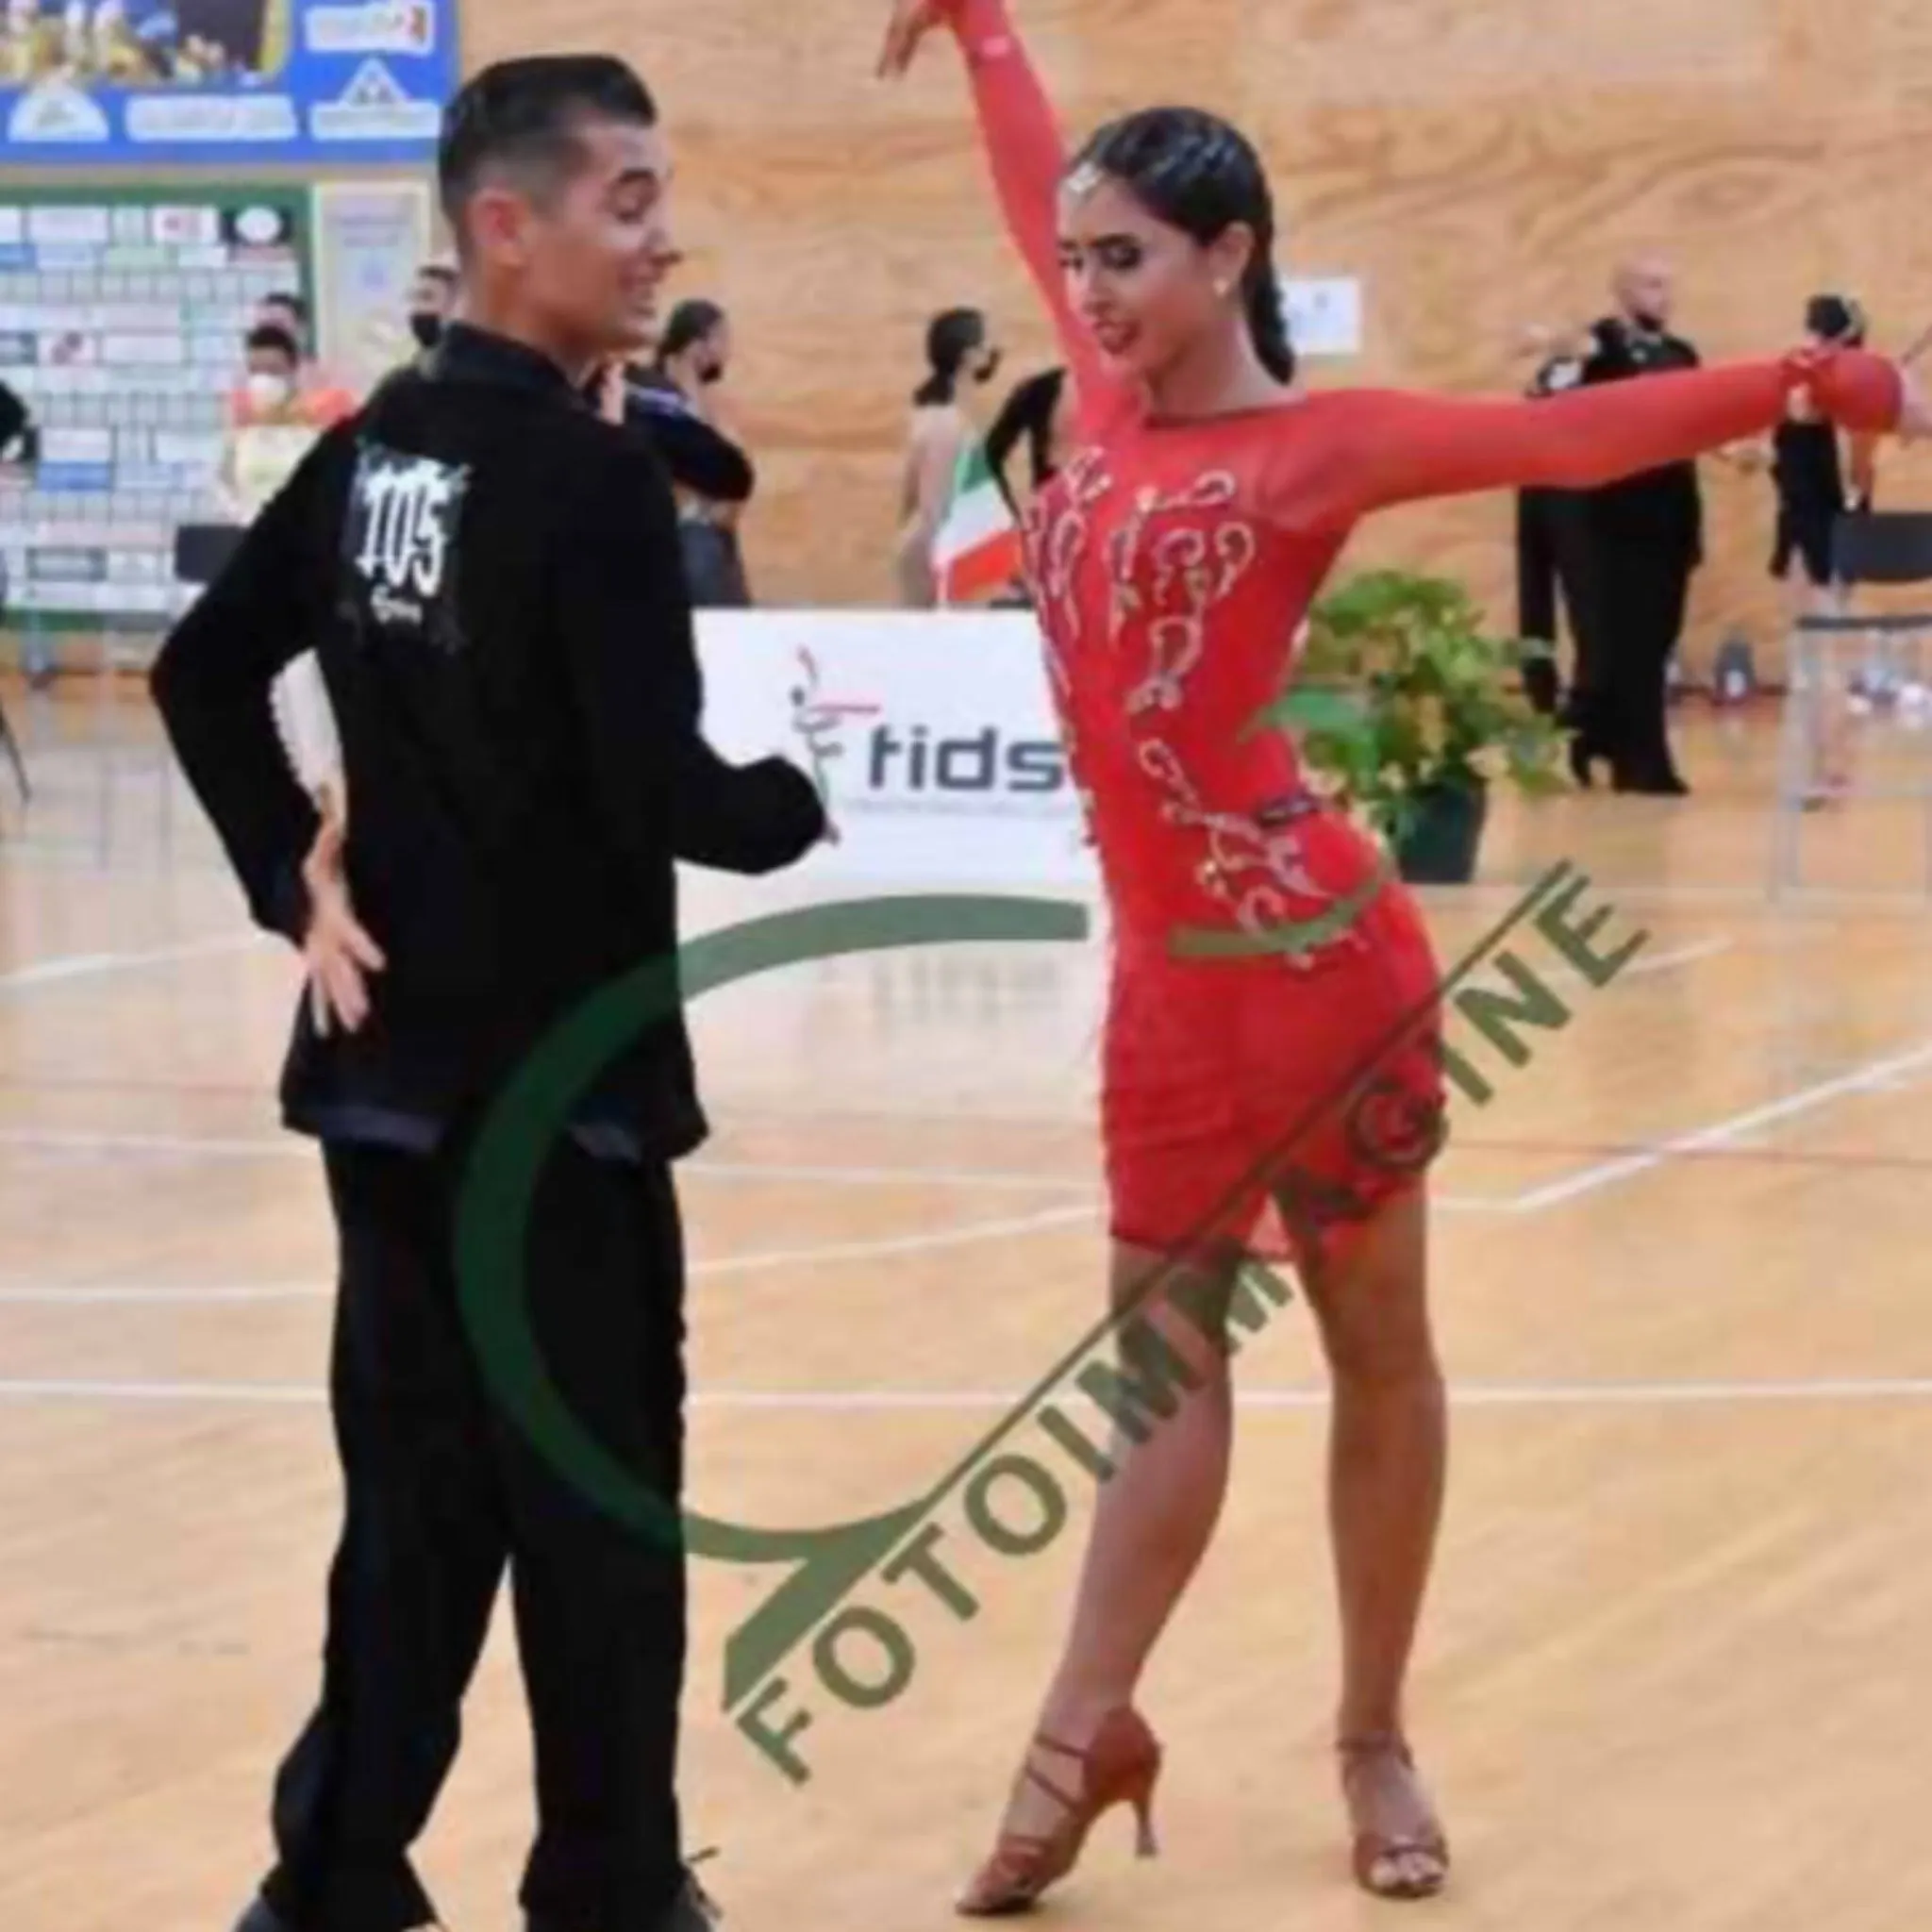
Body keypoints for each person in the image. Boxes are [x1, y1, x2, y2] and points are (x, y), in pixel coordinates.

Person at [875, 0, 1913, 1911]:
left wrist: (1795, 381)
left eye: (1128, 260)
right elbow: (1030, 197)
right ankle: (1087, 1725)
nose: (1085, 291)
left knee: (1377, 1355)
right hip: (1165, 989)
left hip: (1321, 966)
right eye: (1081, 259)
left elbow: (1571, 436)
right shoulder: (1096, 406)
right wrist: (987, 32)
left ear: (1229, 259)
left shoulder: (1315, 447)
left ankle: (1370, 1733)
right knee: (1158, 1374)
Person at [150, 52, 829, 1932]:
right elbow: (664, 788)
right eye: (625, 198)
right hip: (564, 1099)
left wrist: (299, 874)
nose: (659, 232)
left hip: (384, 1087)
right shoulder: (590, 484)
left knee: (415, 1510)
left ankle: (333, 1882)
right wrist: (797, 800)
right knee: (597, 1515)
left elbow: (206, 673)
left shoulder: (375, 444)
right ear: (504, 226)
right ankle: (607, 1887)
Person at [1564, 258, 1707, 792]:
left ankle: (1593, 730)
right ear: (1622, 291)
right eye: (1652, 285)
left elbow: (1700, 420)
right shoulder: (1600, 347)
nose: (1664, 295)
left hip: (1672, 515)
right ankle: (1643, 763)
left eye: (1668, 284)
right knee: (1628, 642)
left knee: (1659, 638)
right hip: (1616, 517)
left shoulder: (1682, 355)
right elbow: (1566, 370)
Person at [893, 303, 1004, 603]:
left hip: (936, 554)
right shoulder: (946, 423)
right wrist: (946, 582)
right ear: (969, 357)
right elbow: (935, 509)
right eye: (986, 345)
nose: (993, 352)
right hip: (934, 558)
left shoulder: (943, 416)